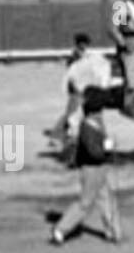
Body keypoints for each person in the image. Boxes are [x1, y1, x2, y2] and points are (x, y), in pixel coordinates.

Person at [50, 95, 121, 245]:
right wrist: (107, 147)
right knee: (85, 203)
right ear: (95, 111)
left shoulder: (92, 124)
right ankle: (61, 229)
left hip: (99, 168)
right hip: (92, 168)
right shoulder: (89, 127)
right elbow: (94, 152)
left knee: (106, 199)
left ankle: (112, 232)